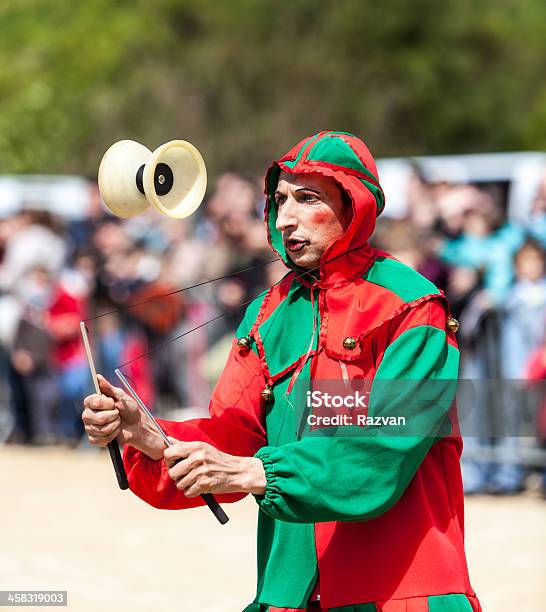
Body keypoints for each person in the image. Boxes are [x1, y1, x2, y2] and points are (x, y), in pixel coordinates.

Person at [82, 132, 481, 611]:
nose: (285, 217)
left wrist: (256, 472)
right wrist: (149, 436)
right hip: (289, 588)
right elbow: (233, 434)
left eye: (307, 198)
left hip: (399, 589)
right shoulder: (267, 313)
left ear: (353, 205)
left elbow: (383, 449)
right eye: (279, 200)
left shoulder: (413, 308)